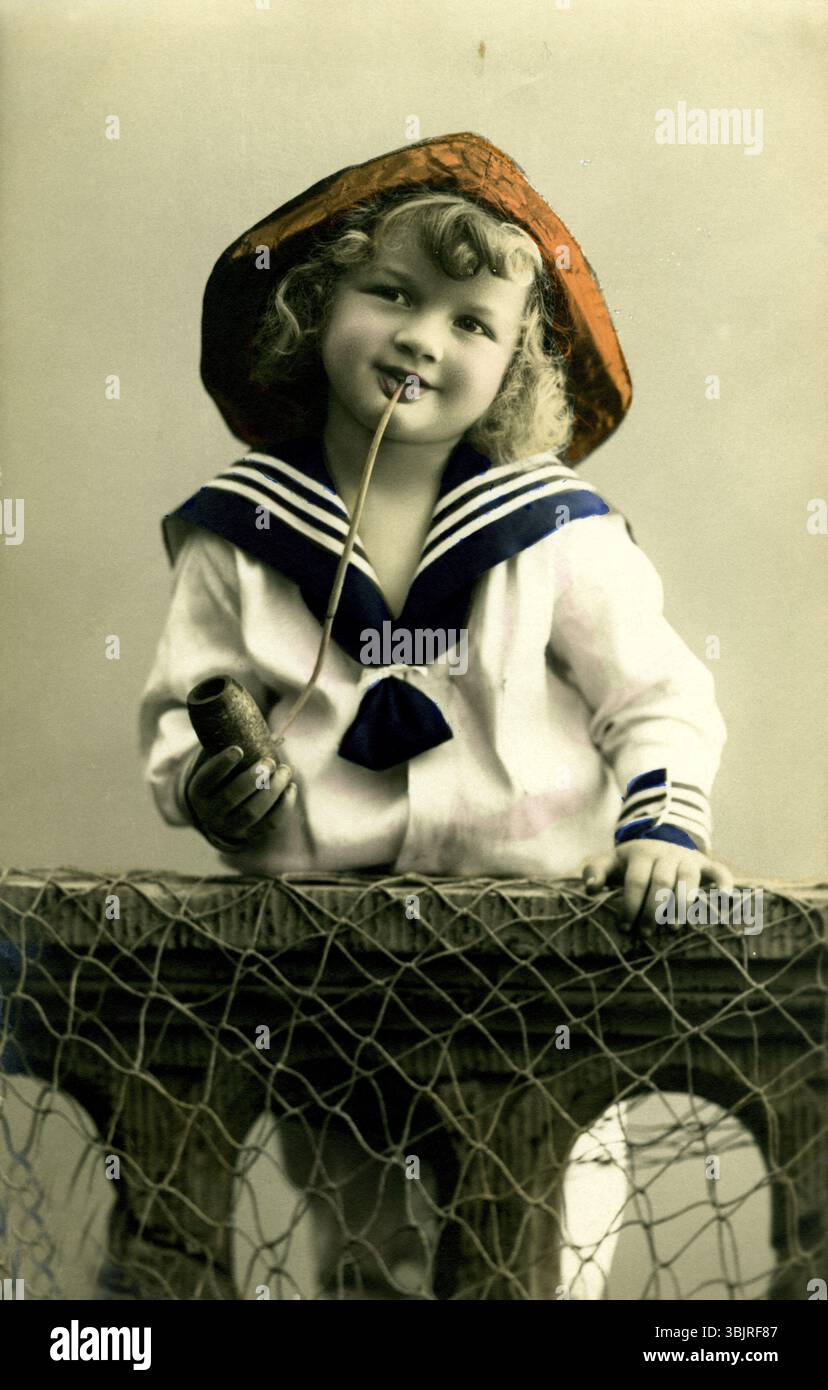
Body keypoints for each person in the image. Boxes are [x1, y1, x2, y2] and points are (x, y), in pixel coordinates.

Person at [138, 132, 734, 1298]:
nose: (423, 336)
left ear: (514, 365)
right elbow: (179, 714)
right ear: (318, 308)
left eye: (473, 322)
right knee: (367, 1254)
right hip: (328, 962)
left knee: (540, 1251)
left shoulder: (558, 530)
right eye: (392, 295)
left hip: (539, 961)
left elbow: (657, 696)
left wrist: (662, 825)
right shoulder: (238, 534)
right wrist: (208, 779)